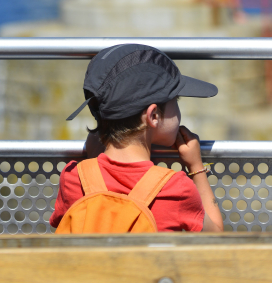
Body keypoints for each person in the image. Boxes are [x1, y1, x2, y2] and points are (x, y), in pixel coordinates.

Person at [49, 44, 224, 232]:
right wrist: (196, 167)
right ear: (153, 116)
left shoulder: (73, 177)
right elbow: (216, 235)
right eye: (176, 101)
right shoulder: (177, 189)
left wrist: (92, 158)